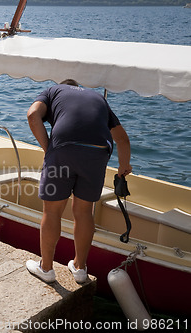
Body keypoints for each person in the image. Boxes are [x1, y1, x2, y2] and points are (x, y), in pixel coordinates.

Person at [25, 79, 132, 284]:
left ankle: (46, 268)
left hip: (63, 149)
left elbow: (33, 115)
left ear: (62, 85)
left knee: (52, 211)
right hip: (98, 153)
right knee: (84, 211)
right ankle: (80, 268)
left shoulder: (52, 91)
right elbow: (122, 139)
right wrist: (123, 167)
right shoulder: (98, 98)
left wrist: (49, 149)